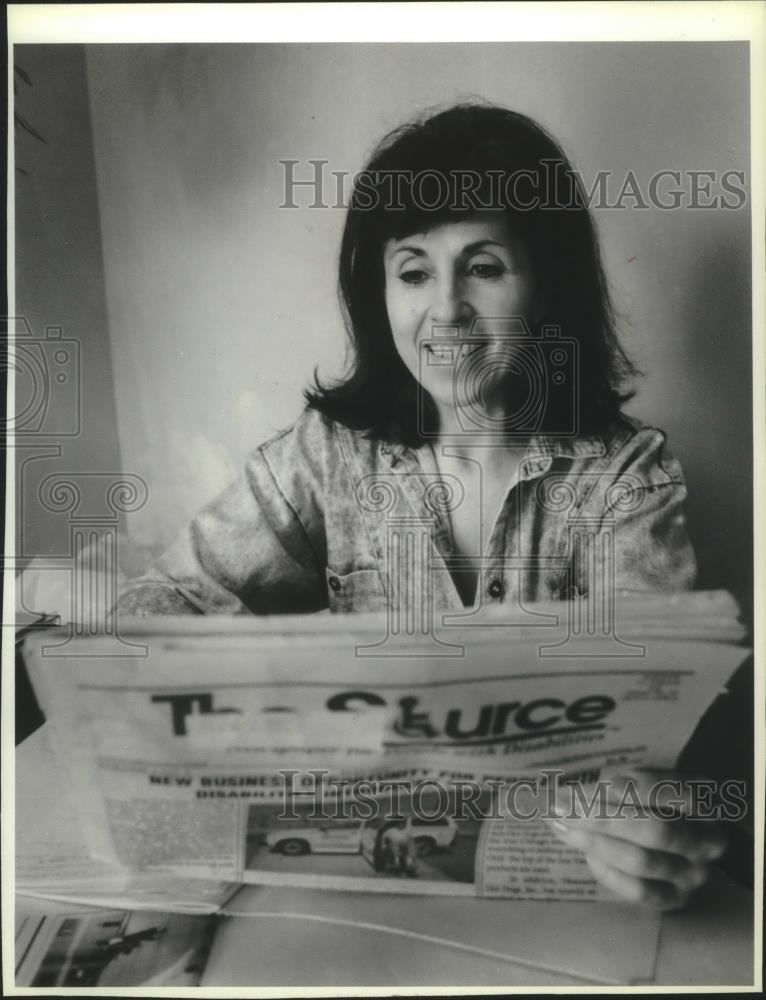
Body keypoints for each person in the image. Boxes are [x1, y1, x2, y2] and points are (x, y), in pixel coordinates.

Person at [117, 103, 725, 908]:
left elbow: (650, 723)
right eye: (413, 272)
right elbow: (157, 606)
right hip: (351, 909)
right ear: (381, 297)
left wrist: (640, 821)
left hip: (558, 898)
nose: (446, 311)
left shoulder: (624, 477)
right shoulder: (326, 454)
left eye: (483, 267)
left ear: (545, 287)